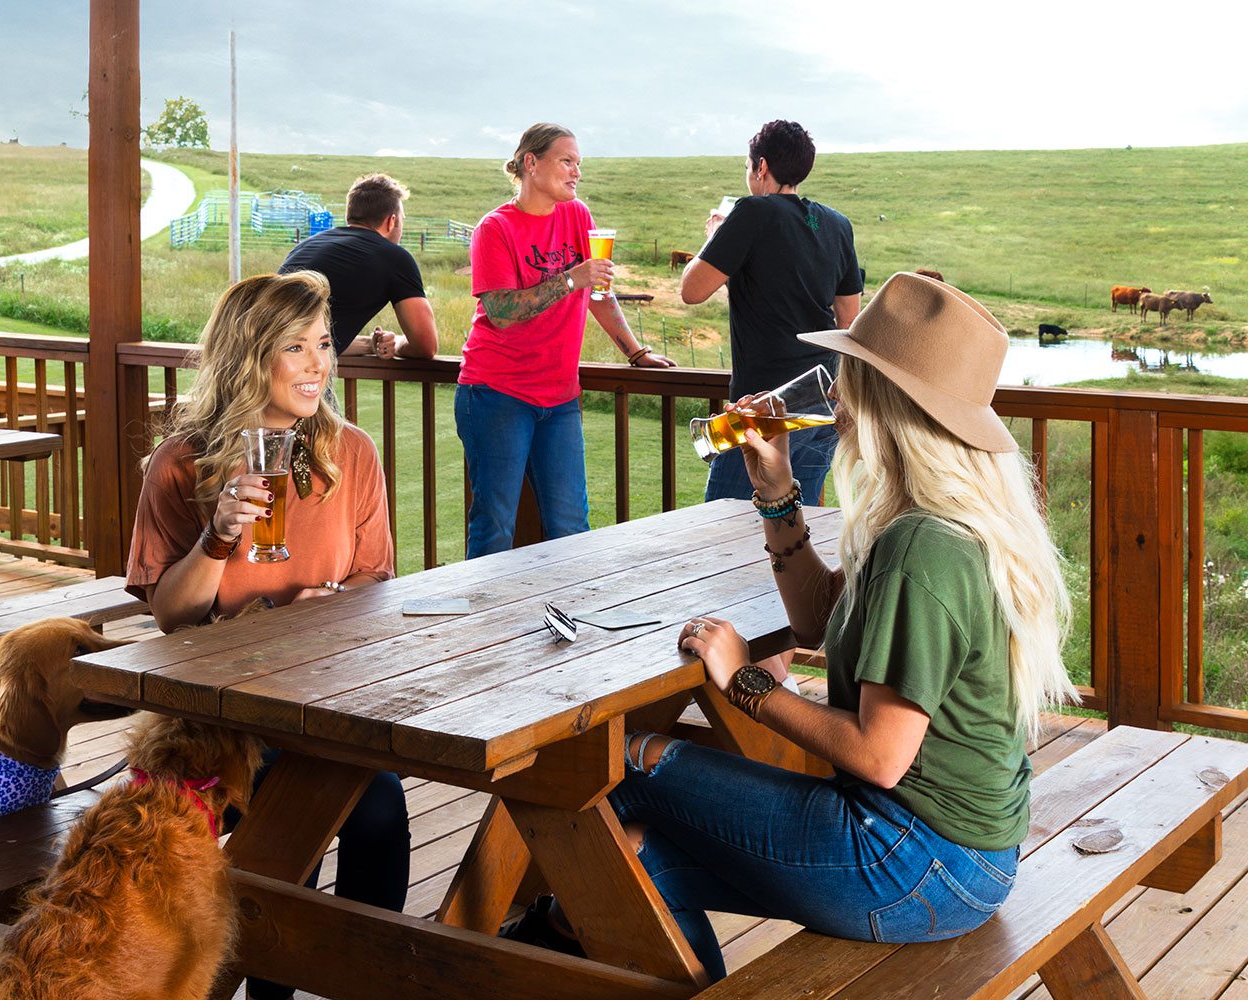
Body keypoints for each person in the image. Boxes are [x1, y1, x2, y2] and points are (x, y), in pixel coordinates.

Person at [509, 273, 1073, 982]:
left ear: (884, 401)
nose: (833, 393)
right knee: (635, 857)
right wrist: (774, 489)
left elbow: (879, 756)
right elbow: (816, 620)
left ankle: (530, 932)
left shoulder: (922, 547)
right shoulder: (938, 523)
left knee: (618, 762)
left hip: (910, 857)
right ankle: (561, 922)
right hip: (966, 856)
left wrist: (744, 680)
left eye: (848, 376)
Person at [123, 271, 410, 1000]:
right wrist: (219, 538)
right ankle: (273, 987)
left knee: (377, 806)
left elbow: (378, 582)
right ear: (251, 356)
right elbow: (171, 617)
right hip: (220, 712)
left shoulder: (351, 453)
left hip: (327, 694)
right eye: (295, 347)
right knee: (307, 802)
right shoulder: (181, 465)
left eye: (323, 345)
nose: (319, 364)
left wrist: (332, 605)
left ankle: (367, 976)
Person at [457, 122, 676, 558]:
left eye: (579, 163)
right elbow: (500, 312)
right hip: (496, 392)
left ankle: (572, 620)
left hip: (558, 397)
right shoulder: (495, 228)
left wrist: (636, 352)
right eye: (567, 161)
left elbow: (598, 293)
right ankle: (485, 624)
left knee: (571, 524)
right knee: (495, 523)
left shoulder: (578, 216)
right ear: (530, 163)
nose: (576, 172)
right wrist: (571, 277)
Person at [681, 119, 863, 506]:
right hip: (823, 400)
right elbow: (848, 318)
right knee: (797, 522)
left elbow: (691, 290)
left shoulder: (752, 212)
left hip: (763, 407)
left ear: (761, 167)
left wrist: (715, 238)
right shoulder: (837, 224)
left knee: (726, 523)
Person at [279, 173, 439, 360]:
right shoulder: (394, 258)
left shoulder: (306, 246)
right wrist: (398, 344)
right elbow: (425, 346)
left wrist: (371, 345)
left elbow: (292, 338)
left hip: (253, 366)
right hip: (298, 374)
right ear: (391, 221)